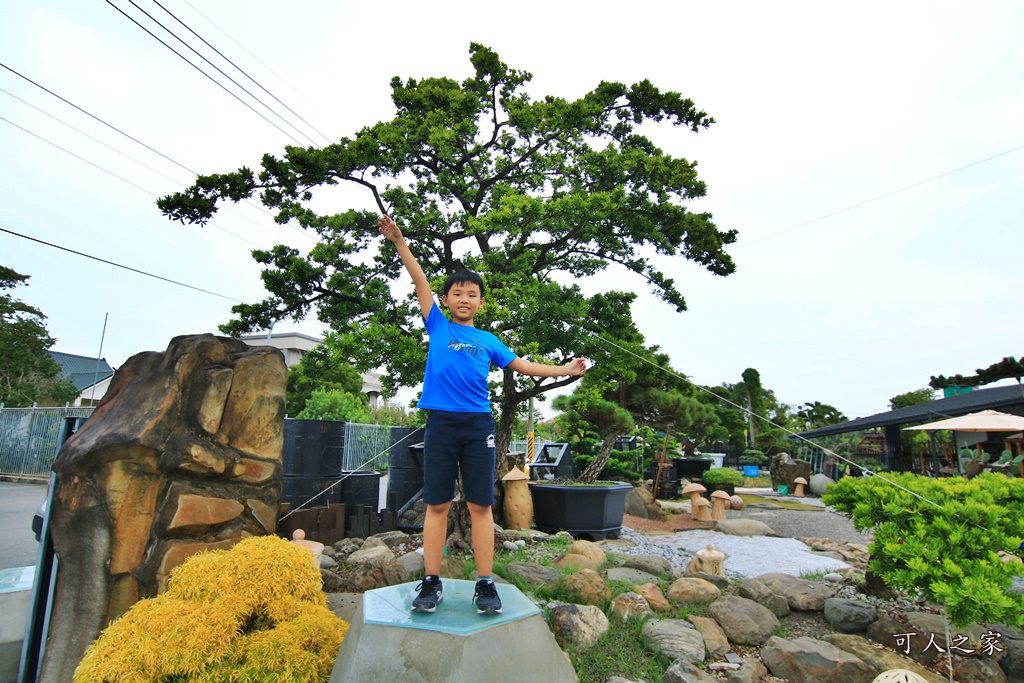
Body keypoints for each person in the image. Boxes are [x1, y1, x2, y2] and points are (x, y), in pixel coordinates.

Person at [378, 215, 587, 616]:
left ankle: (486, 583)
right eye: (457, 293)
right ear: (447, 300)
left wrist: (565, 370)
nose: (464, 299)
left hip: (477, 426)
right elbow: (419, 280)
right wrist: (401, 243)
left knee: (480, 506)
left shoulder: (488, 340)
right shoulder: (436, 324)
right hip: (440, 422)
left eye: (471, 294)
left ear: (480, 302)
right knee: (437, 504)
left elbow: (523, 366)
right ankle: (431, 580)